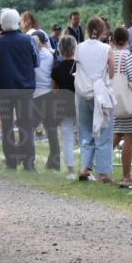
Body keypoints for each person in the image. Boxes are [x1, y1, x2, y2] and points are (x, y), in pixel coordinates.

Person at [0, 8, 39, 173]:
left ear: (1, 24)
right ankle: (28, 163)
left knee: (7, 126)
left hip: (3, 89)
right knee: (26, 126)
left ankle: (11, 161)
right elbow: (36, 61)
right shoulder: (28, 40)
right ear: (17, 22)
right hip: (25, 89)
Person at [74, 17, 114, 182]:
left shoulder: (79, 47)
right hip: (100, 94)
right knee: (104, 132)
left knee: (85, 131)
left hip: (82, 92)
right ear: (103, 30)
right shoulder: (106, 48)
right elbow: (111, 73)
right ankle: (103, 173)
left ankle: (85, 167)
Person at [109, 27, 132, 188]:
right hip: (126, 103)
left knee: (114, 136)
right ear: (127, 39)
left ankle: (103, 171)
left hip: (112, 100)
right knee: (128, 138)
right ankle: (126, 176)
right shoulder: (127, 55)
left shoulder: (109, 53)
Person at [30, 30, 61, 171]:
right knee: (52, 131)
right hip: (49, 95)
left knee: (29, 130)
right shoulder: (50, 55)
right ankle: (54, 162)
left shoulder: (30, 56)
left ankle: (29, 161)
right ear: (44, 41)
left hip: (35, 95)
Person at [50, 35, 78, 178]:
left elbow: (54, 91)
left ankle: (71, 170)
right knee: (85, 137)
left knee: (67, 138)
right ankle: (86, 169)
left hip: (64, 105)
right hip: (80, 104)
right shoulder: (79, 66)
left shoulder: (56, 69)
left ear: (60, 49)